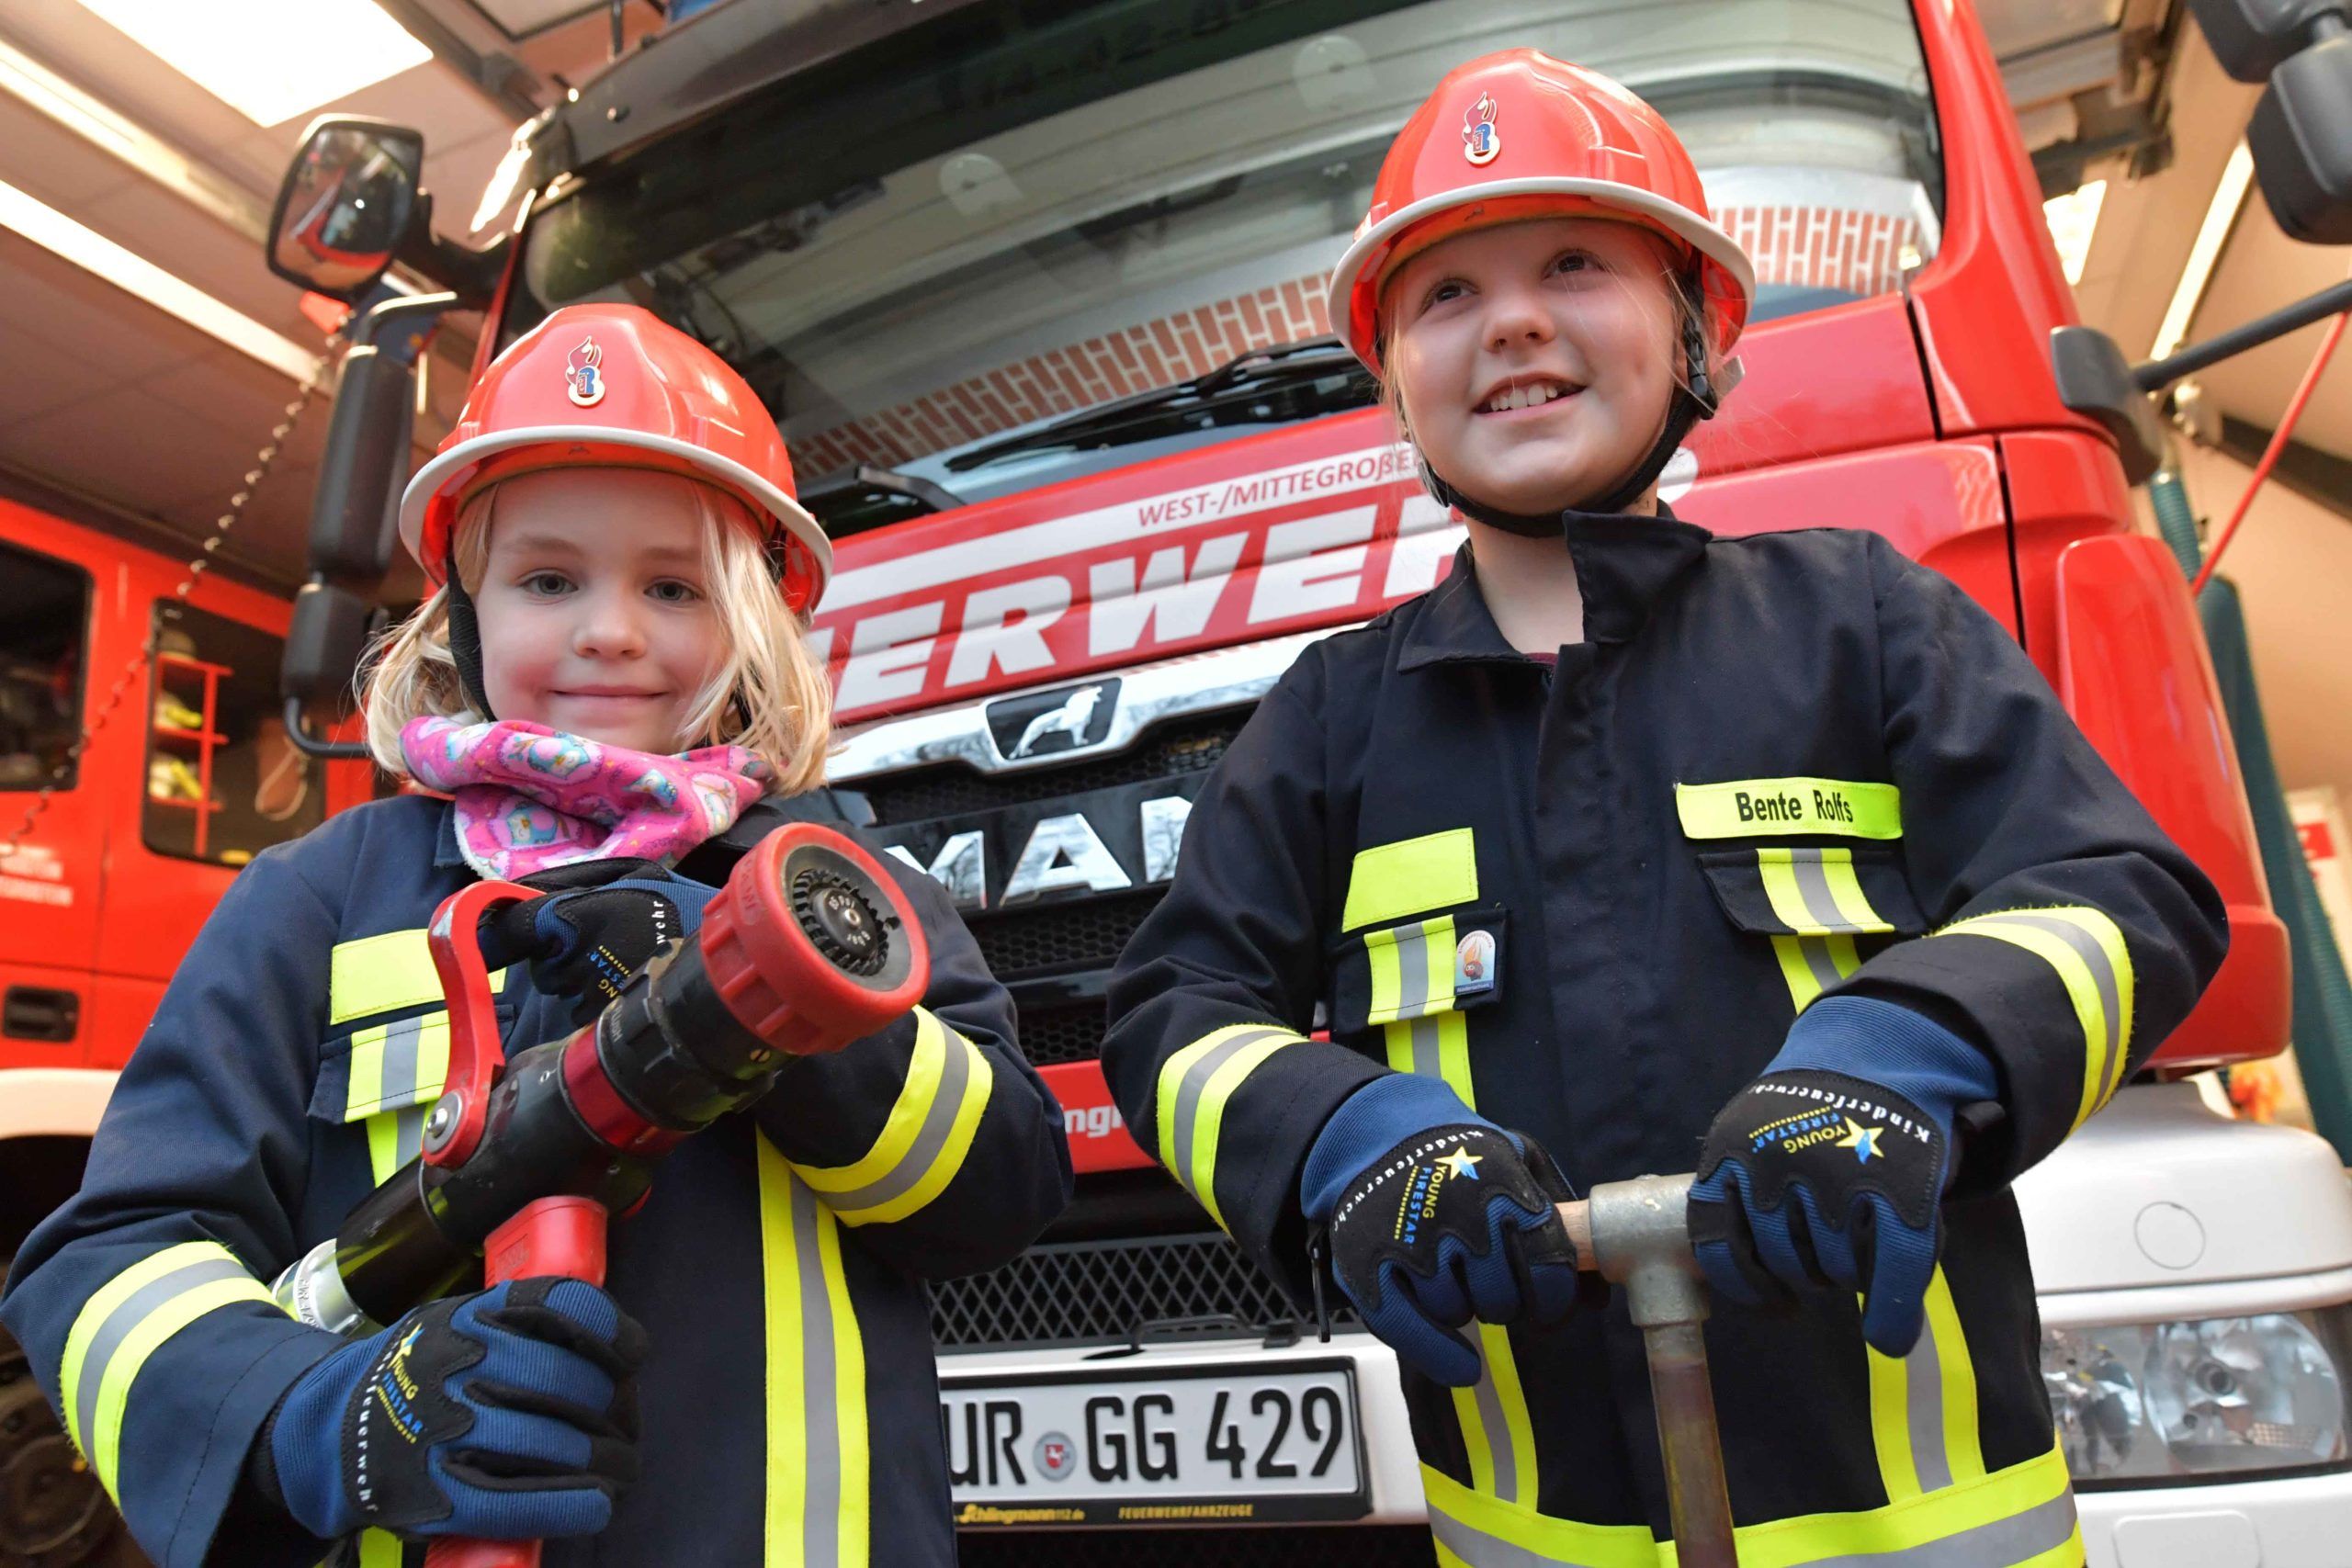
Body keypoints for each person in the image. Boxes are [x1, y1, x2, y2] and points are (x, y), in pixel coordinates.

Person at [1099, 50, 2225, 1568]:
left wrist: (1889, 1061)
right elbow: (1175, 1008)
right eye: (1444, 295)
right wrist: (1358, 1134)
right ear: (1395, 391)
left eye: (1576, 262)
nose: (1510, 319)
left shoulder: (1862, 622)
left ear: (1700, 333)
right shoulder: (1329, 722)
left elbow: (2117, 895)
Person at [1, 303, 1071, 1567]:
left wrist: (765, 985)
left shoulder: (845, 890)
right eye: (549, 580)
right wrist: (323, 1419)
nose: (609, 630)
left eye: (672, 585)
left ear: (746, 626)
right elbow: (114, 1261)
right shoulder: (317, 899)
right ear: (465, 613)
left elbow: (1001, 1194)